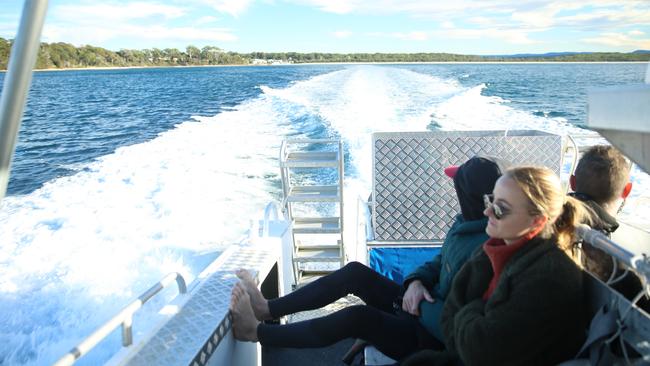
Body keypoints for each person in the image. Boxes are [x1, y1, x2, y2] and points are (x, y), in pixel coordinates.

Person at [229, 156, 505, 361]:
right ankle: (268, 309)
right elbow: (438, 261)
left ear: (467, 196)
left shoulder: (488, 249)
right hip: (418, 308)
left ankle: (257, 333)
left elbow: (464, 325)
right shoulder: (464, 223)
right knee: (354, 273)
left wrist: (417, 306)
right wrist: (416, 283)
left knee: (357, 318)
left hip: (433, 338)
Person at [403, 166, 592, 366]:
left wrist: (472, 308)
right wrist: (478, 314)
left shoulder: (551, 276)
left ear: (537, 221)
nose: (487, 211)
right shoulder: (490, 252)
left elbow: (480, 352)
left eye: (501, 209)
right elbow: (448, 324)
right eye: (491, 200)